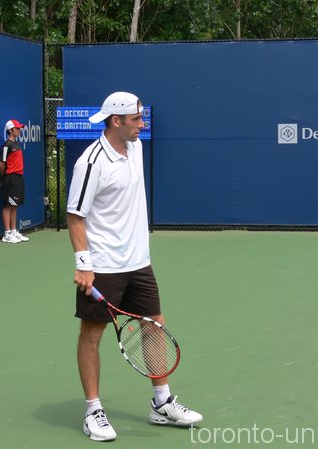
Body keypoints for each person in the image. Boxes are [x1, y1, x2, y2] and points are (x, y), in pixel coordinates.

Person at [66, 92, 203, 442]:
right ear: (117, 121)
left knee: (154, 326)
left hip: (139, 262)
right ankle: (93, 410)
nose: (143, 124)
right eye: (137, 119)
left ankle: (161, 403)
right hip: (104, 266)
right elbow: (75, 216)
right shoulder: (91, 163)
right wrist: (84, 264)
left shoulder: (136, 147)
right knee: (92, 335)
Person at [0, 119, 29, 243]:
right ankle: (7, 234)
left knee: (14, 205)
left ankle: (14, 231)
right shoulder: (6, 146)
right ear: (11, 130)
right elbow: (1, 164)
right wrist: (3, 178)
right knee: (8, 205)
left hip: (18, 177)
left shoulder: (16, 144)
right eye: (17, 128)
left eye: (20, 128)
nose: (20, 130)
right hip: (10, 178)